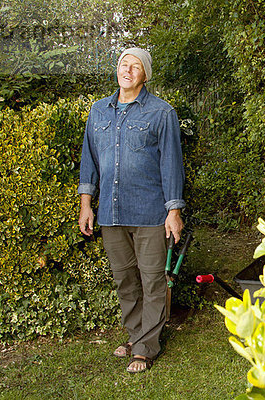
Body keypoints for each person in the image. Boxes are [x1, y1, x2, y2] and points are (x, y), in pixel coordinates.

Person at [78, 47, 185, 373]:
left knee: (152, 281)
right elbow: (89, 163)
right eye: (124, 64)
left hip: (150, 213)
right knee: (125, 280)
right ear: (118, 69)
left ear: (145, 74)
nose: (128, 70)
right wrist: (86, 205)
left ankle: (145, 348)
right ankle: (137, 335)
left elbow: (171, 165)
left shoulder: (161, 113)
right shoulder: (97, 112)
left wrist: (174, 211)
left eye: (135, 66)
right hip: (111, 214)